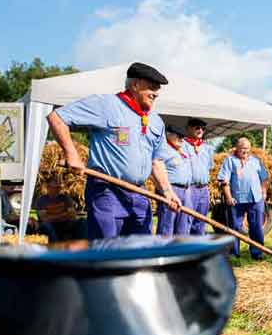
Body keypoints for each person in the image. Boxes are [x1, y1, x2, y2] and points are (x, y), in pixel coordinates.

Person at [47, 62, 181, 239]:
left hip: (140, 195)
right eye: (152, 87)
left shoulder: (156, 121)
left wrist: (167, 191)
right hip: (107, 192)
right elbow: (57, 117)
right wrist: (72, 154)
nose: (156, 93)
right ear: (135, 85)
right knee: (107, 251)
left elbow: (156, 161)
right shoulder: (106, 105)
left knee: (140, 251)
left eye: (158, 89)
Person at [217, 137, 269, 259]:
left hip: (255, 199)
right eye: (242, 148)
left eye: (247, 148)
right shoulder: (230, 161)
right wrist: (228, 197)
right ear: (237, 148)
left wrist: (264, 192)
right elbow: (224, 180)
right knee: (234, 227)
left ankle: (257, 253)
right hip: (236, 200)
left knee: (256, 227)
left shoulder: (256, 161)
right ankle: (234, 253)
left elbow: (264, 178)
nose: (245, 151)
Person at [156, 127, 195, 236]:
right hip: (171, 189)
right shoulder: (163, 149)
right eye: (179, 136)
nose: (182, 139)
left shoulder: (183, 150)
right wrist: (166, 191)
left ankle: (181, 251)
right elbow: (156, 169)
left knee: (184, 225)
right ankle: (164, 252)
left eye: (183, 137)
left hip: (186, 190)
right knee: (166, 225)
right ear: (168, 134)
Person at [185, 118, 216, 235]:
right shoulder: (183, 145)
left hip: (204, 189)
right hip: (189, 189)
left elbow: (209, 167)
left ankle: (198, 248)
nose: (200, 130)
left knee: (201, 220)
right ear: (188, 129)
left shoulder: (207, 148)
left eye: (203, 128)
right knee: (187, 220)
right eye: (197, 127)